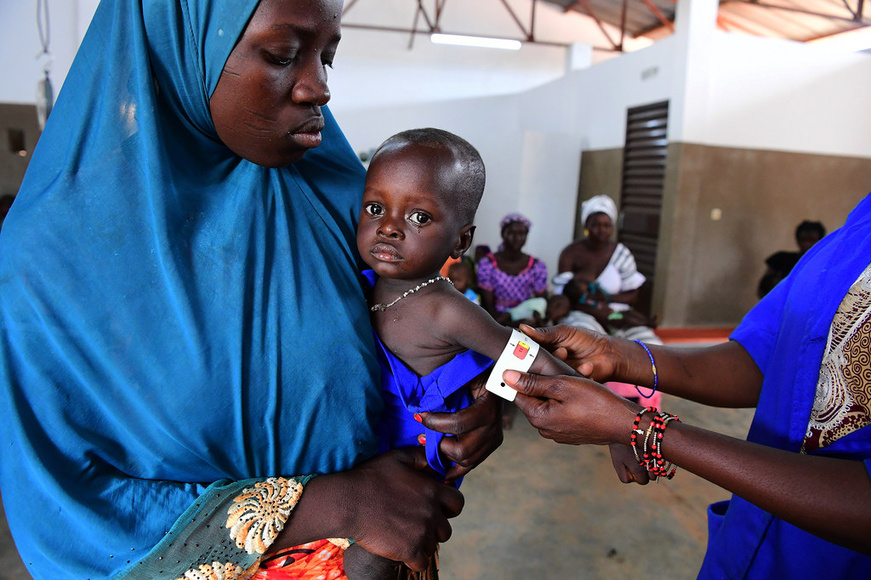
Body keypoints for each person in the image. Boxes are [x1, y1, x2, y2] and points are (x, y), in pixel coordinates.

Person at [0, 2, 503, 579]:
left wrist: (478, 398)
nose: (318, 88)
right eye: (283, 56)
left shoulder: (340, 200)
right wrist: (337, 503)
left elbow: (419, 319)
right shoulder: (54, 254)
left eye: (327, 57)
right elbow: (63, 496)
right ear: (186, 45)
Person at [504, 192, 871, 578]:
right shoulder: (852, 233)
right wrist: (618, 355)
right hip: (747, 549)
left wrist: (642, 428)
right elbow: (761, 358)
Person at [348, 127, 581, 578]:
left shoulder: (446, 310)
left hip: (416, 459)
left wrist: (616, 426)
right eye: (375, 209)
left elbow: (527, 358)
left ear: (460, 241)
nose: (389, 226)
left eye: (419, 218)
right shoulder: (361, 284)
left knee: (368, 560)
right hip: (370, 451)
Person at [554, 194, 660, 345]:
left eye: (606, 225)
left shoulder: (621, 254)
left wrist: (607, 299)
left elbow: (633, 294)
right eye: (596, 225)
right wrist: (596, 311)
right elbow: (563, 294)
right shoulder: (570, 253)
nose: (601, 230)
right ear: (586, 226)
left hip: (617, 313)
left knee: (650, 345)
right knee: (583, 342)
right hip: (583, 313)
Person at [476, 213, 548, 328]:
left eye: (521, 234)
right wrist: (506, 323)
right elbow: (487, 304)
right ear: (503, 234)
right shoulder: (488, 264)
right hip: (497, 318)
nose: (516, 238)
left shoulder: (536, 266)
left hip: (525, 316)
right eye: (511, 233)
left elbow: (541, 301)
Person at [757, 219, 826, 298]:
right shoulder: (781, 259)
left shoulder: (825, 264)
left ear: (819, 241)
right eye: (804, 240)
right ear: (798, 240)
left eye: (811, 240)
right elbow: (762, 290)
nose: (807, 244)